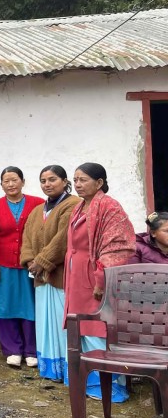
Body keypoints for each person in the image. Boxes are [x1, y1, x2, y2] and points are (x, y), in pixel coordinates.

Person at [65, 162, 135, 402]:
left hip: (95, 277)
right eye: (75, 180)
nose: (77, 184)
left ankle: (112, 386)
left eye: (83, 179)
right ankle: (88, 380)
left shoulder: (109, 206)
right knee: (82, 327)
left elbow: (118, 246)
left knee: (98, 327)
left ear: (99, 183)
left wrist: (101, 278)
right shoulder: (80, 207)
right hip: (76, 277)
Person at [20, 165, 81, 382]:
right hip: (40, 276)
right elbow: (27, 239)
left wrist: (42, 261)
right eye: (43, 180)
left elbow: (63, 238)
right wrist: (30, 261)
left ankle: (69, 371)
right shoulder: (38, 210)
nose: (47, 184)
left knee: (61, 321)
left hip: (61, 275)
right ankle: (51, 367)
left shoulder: (73, 205)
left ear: (65, 181)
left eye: (52, 179)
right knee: (46, 322)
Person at [0, 167, 45, 368]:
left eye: (14, 180)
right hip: (4, 265)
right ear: (1, 184)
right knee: (6, 307)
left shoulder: (38, 203)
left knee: (30, 307)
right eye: (6, 181)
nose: (10, 184)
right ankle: (12, 349)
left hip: (30, 264)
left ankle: (31, 349)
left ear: (23, 181)